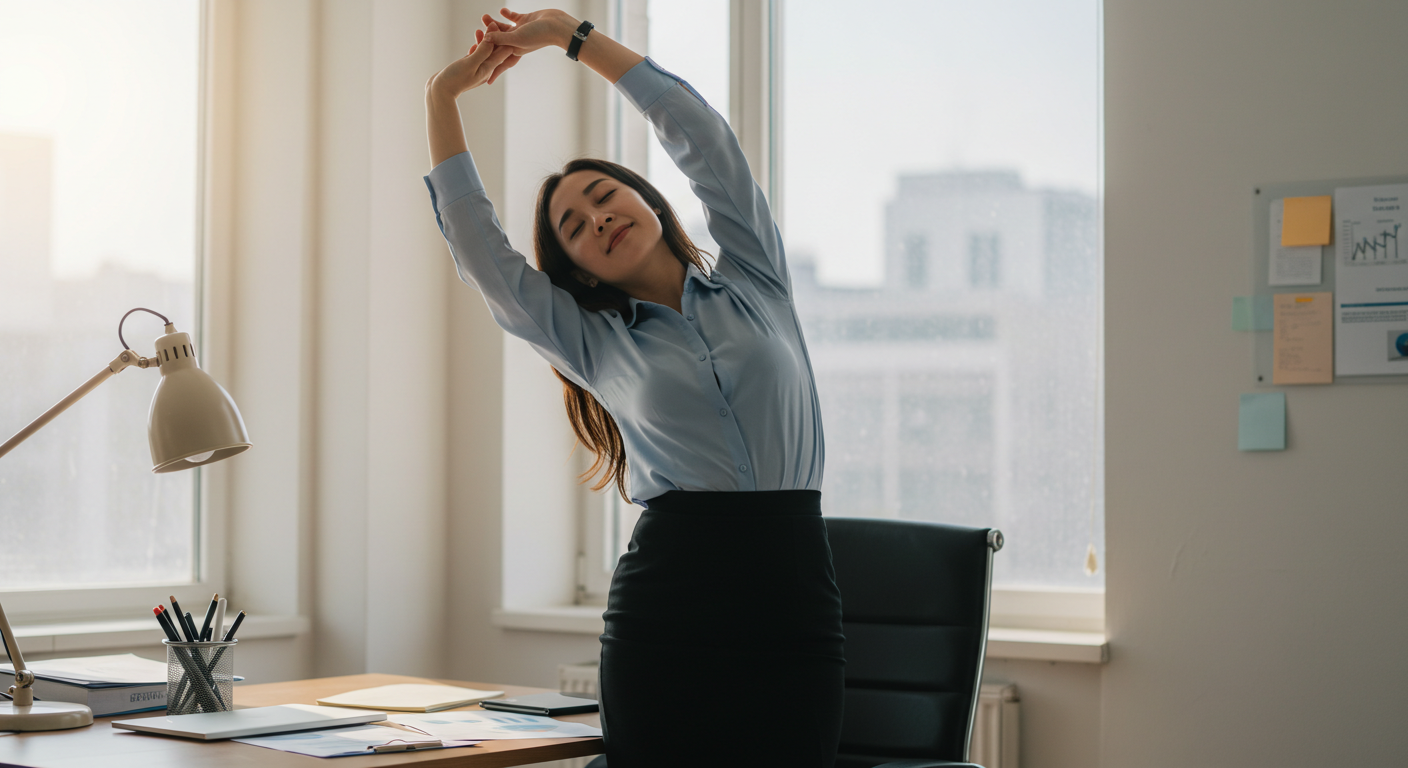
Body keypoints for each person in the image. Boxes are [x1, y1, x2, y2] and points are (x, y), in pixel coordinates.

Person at [424, 9, 843, 767]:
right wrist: (441, 99)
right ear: (580, 270)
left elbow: (701, 135)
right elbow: (483, 254)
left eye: (603, 195)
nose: (598, 218)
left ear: (649, 198)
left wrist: (571, 38)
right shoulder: (594, 342)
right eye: (576, 226)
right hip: (670, 605)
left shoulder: (758, 280)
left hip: (794, 593)